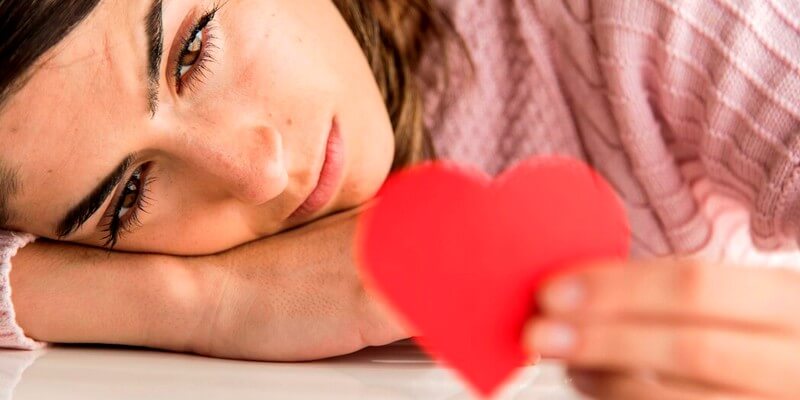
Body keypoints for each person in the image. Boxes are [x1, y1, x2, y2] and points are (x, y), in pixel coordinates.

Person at [1, 0, 799, 398]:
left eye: (196, 46)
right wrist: (205, 300)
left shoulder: (643, 22)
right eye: (131, 192)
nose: (258, 170)